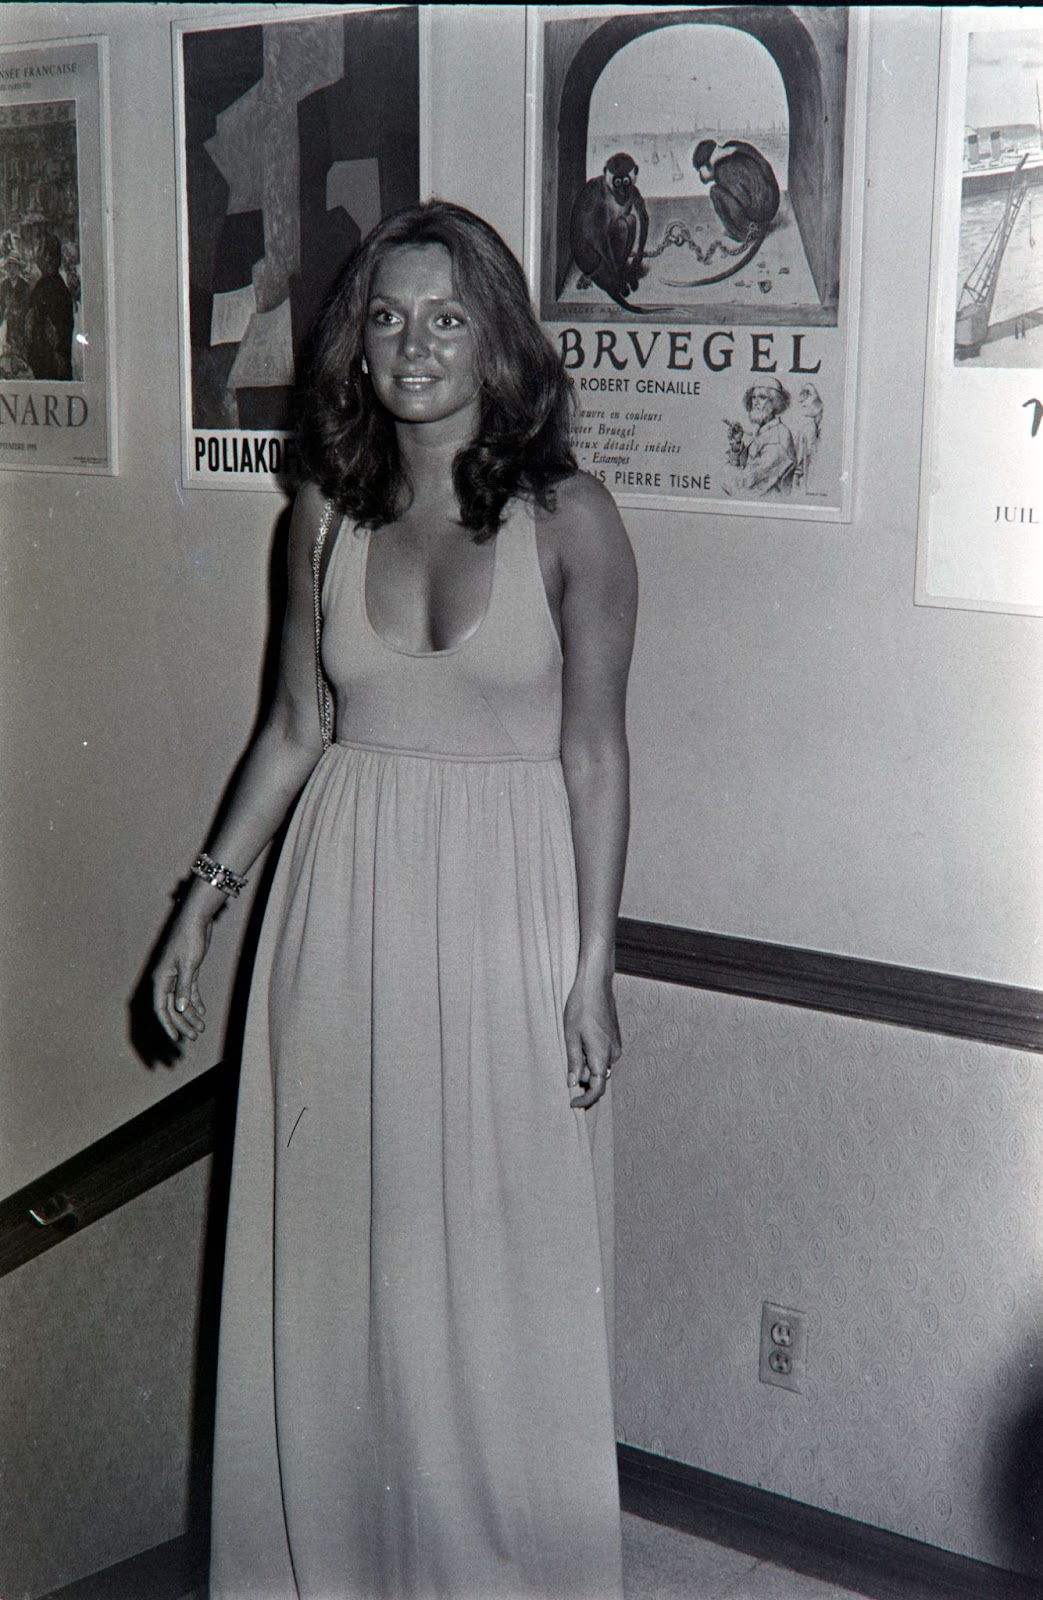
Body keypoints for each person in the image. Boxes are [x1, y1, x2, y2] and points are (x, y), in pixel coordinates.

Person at [153, 200, 637, 1600]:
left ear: (496, 341)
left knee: (494, 1276)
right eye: (384, 316)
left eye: (444, 316)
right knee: (342, 1272)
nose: (412, 344)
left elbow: (595, 751)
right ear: (352, 348)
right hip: (340, 916)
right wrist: (204, 898)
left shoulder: (572, 521)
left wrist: (591, 964)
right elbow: (295, 727)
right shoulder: (317, 514)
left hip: (506, 924)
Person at [721, 374, 796, 497]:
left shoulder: (777, 439)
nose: (755, 402)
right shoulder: (766, 432)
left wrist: (725, 472)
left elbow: (746, 485)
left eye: (762, 397)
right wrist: (736, 444)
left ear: (775, 402)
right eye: (753, 397)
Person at [25, 233, 74, 381]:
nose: (36, 255)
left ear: (47, 256)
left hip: (49, 371)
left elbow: (52, 337)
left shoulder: (52, 289)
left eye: (39, 249)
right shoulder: (47, 285)